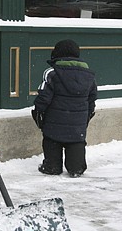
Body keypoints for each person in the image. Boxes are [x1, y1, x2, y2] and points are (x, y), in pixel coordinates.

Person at [32, 39, 97, 178]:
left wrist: (38, 112)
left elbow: (43, 97)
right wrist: (86, 117)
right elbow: (92, 100)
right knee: (76, 144)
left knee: (51, 140)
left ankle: (52, 166)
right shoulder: (89, 75)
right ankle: (76, 167)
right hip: (77, 126)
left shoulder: (52, 73)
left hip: (54, 122)